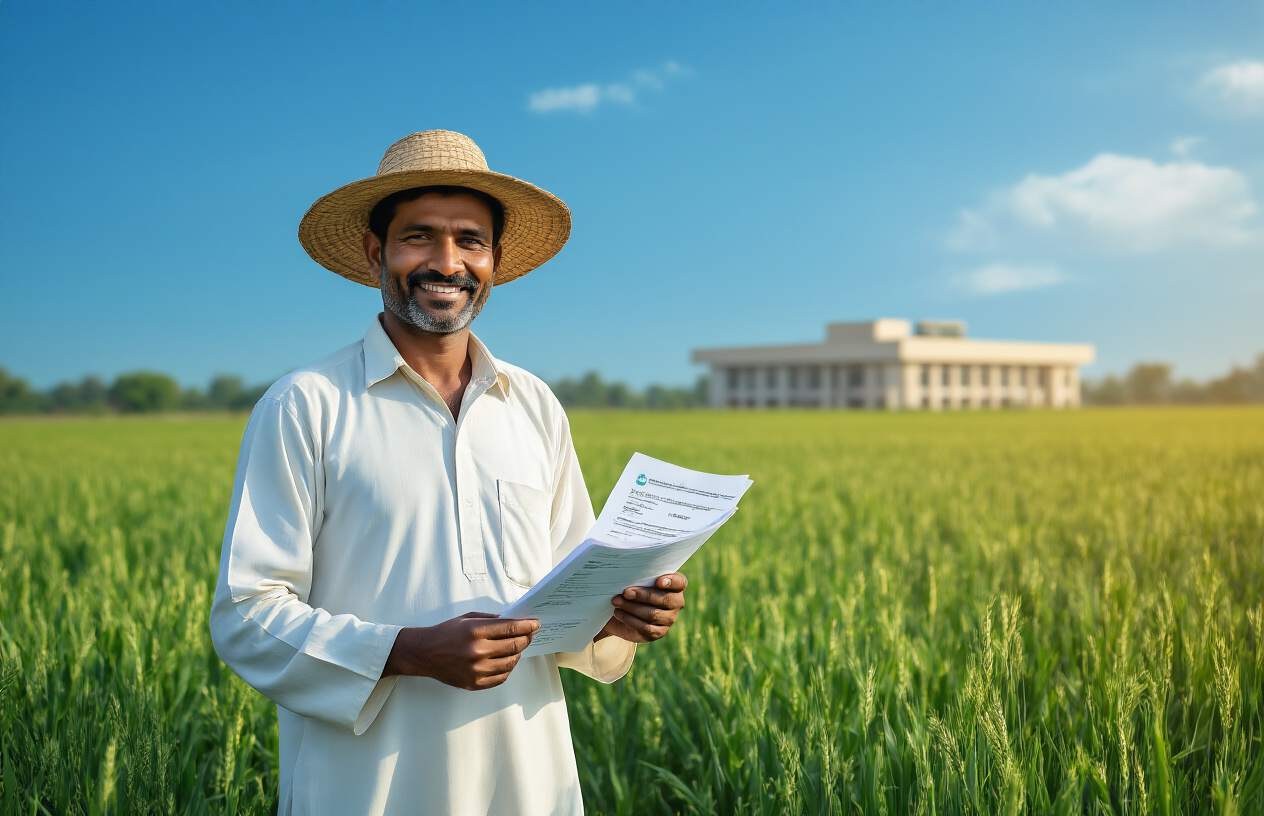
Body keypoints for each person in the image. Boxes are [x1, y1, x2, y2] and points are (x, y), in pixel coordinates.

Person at [209, 130, 689, 815]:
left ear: (493, 259)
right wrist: (404, 651)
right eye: (420, 237)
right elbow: (246, 615)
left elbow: (570, 591)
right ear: (377, 252)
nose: (447, 262)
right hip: (364, 786)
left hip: (526, 779)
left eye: (470, 240)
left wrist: (620, 618)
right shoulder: (306, 404)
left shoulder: (534, 405)